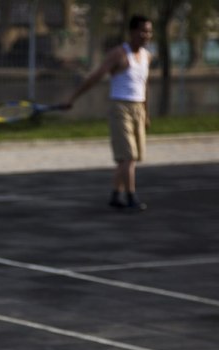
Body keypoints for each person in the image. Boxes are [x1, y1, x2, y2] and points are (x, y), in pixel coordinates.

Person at [64, 15, 154, 210]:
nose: (147, 35)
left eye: (149, 31)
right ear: (132, 32)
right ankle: (131, 197)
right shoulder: (119, 54)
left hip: (138, 107)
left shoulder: (147, 56)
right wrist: (72, 98)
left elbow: (143, 85)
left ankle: (115, 195)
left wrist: (146, 113)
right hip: (120, 107)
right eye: (143, 31)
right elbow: (95, 77)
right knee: (129, 155)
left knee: (129, 157)